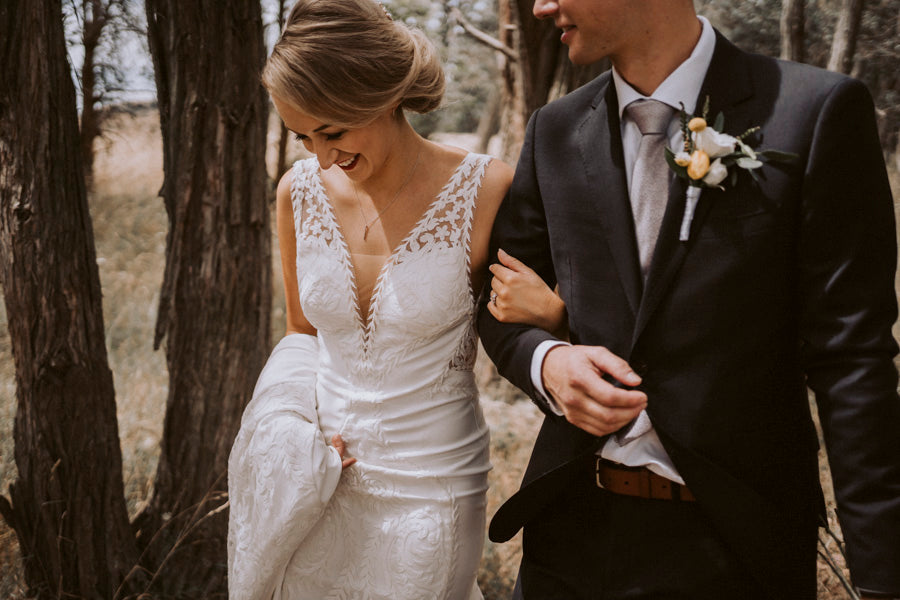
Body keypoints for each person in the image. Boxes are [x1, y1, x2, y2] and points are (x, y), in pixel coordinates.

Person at [477, 1, 900, 599]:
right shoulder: (555, 128)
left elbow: (853, 361)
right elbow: (498, 305)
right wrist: (549, 361)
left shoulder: (814, 112)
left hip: (737, 546)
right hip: (571, 536)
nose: (542, 5)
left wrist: (882, 579)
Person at [224, 0, 566, 598]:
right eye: (302, 136)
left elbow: (529, 320)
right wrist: (284, 427)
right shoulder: (297, 192)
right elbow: (302, 332)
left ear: (381, 96)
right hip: (318, 479)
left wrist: (556, 315)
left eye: (332, 130)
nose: (322, 156)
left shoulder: (489, 188)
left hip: (433, 487)